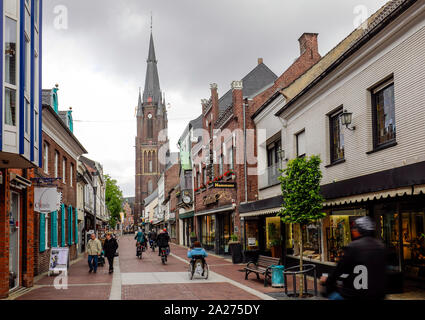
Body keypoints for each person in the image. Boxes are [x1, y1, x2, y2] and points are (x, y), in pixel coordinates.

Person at [320, 216, 387, 300]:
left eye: (354, 228)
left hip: (356, 295)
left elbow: (339, 270)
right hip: (378, 295)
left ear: (359, 231)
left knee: (334, 296)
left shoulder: (353, 246)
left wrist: (327, 280)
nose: (353, 231)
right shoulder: (380, 246)